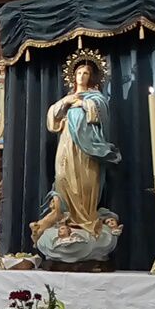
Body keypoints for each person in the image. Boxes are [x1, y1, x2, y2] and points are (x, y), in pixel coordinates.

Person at [45, 57, 120, 236]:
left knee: (86, 180)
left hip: (88, 147)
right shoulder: (68, 98)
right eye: (78, 72)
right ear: (73, 76)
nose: (81, 76)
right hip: (67, 143)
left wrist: (84, 104)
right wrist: (66, 102)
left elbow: (102, 116)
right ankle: (67, 217)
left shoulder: (96, 97)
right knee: (62, 177)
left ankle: (85, 218)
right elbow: (52, 118)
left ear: (90, 77)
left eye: (85, 73)